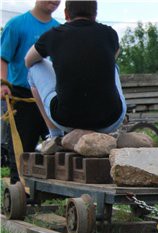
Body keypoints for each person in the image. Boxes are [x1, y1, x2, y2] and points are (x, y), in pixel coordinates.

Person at [25, 0, 126, 154]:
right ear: (95, 15)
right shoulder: (109, 33)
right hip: (111, 119)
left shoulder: (53, 34)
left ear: (66, 14)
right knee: (113, 66)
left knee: (34, 68)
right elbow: (112, 57)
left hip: (66, 119)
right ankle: (103, 134)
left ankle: (55, 135)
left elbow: (28, 60)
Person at [1, 1, 61, 183]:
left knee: (57, 144)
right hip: (22, 95)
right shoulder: (17, 25)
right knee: (23, 145)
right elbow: (3, 58)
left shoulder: (58, 30)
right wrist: (3, 83)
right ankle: (19, 188)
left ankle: (55, 189)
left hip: (50, 95)